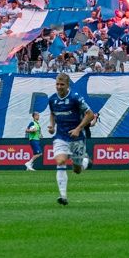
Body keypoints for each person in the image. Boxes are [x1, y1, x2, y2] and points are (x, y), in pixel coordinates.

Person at [47, 73, 96, 206]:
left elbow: (90, 114)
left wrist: (78, 129)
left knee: (77, 169)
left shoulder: (75, 98)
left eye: (62, 84)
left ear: (67, 85)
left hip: (77, 138)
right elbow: (52, 113)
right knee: (60, 160)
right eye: (57, 84)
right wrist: (52, 125)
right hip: (61, 136)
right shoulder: (52, 99)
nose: (59, 87)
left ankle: (86, 162)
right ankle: (63, 196)